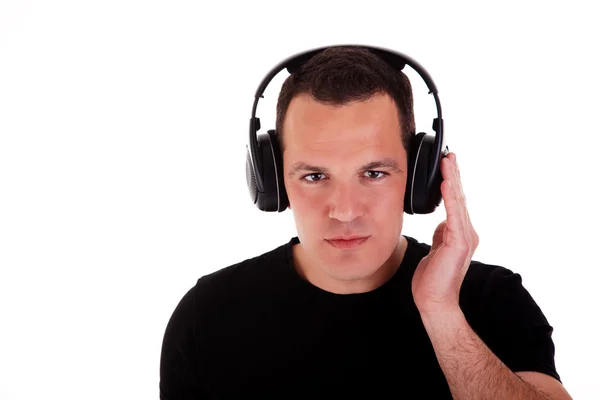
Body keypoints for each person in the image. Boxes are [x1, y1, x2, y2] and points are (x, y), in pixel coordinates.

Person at [159, 45, 572, 399]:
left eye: (373, 173)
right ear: (272, 181)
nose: (345, 210)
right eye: (315, 176)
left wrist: (442, 311)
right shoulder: (207, 316)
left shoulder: (494, 300)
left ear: (419, 179)